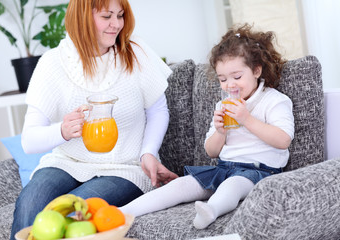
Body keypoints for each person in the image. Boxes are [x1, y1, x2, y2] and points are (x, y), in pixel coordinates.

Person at [10, 0, 178, 239]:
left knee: (76, 213)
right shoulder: (53, 63)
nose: (116, 24)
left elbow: (158, 110)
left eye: (120, 15)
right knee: (31, 202)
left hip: (125, 168)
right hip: (66, 162)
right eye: (107, 16)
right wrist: (63, 131)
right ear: (83, 17)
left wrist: (148, 153)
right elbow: (29, 141)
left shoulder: (135, 51)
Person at [120, 23, 295, 229]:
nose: (230, 85)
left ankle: (211, 211)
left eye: (237, 77)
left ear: (256, 70)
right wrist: (220, 132)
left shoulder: (274, 101)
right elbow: (211, 151)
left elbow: (283, 140)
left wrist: (247, 119)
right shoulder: (223, 105)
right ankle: (121, 212)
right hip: (224, 168)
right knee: (181, 185)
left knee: (232, 185)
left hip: (259, 172)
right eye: (223, 79)